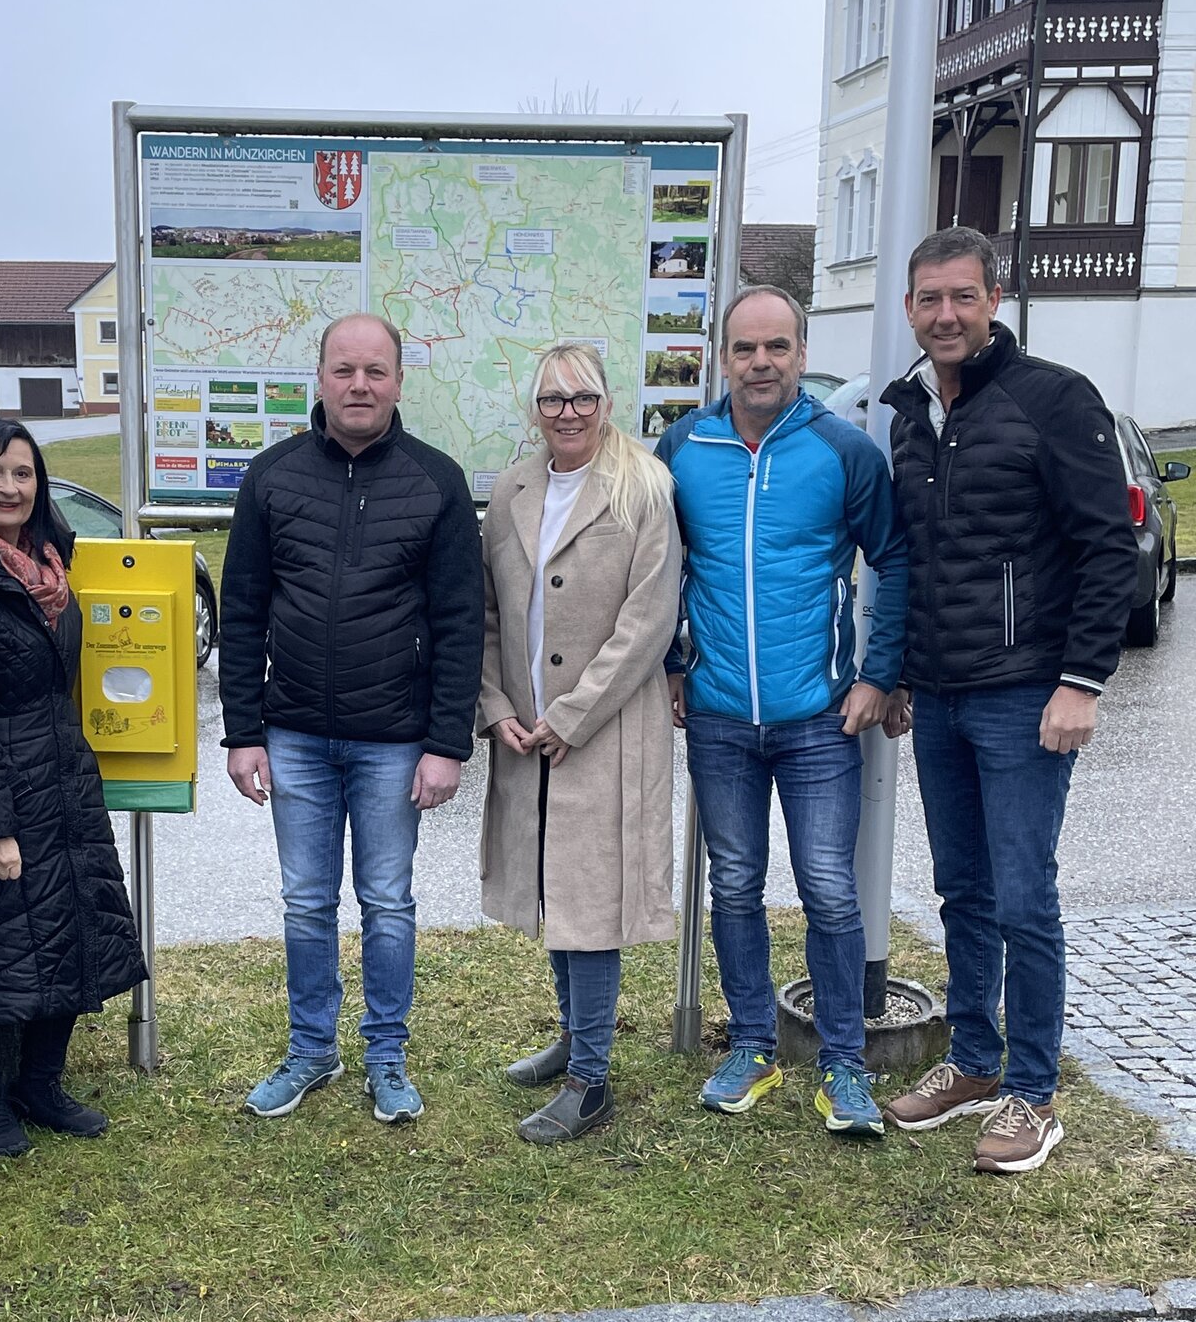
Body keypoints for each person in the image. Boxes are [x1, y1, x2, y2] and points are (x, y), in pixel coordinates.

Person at [879, 226, 1138, 1172]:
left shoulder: (1054, 399)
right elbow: (919, 561)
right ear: (909, 308)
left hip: (1026, 694)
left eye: (962, 296)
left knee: (1025, 897)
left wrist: (1081, 679)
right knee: (964, 892)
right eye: (928, 299)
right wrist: (903, 670)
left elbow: (1109, 548)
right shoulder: (912, 414)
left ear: (994, 298)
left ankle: (1032, 1091)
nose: (944, 315)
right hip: (941, 697)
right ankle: (976, 1063)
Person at [656, 285, 908, 1138]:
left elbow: (896, 561)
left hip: (818, 717)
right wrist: (671, 662)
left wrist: (879, 674)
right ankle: (754, 1044)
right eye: (743, 349)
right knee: (734, 883)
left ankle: (843, 1063)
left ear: (801, 354)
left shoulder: (844, 451)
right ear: (722, 358)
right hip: (721, 715)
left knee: (831, 890)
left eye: (776, 348)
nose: (759, 363)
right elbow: (654, 575)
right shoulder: (683, 448)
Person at [219, 312, 483, 1122]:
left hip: (394, 741)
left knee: (388, 902)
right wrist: (242, 731)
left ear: (399, 381)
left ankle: (387, 1054)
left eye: (375, 371)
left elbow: (459, 622)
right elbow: (242, 611)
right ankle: (310, 1051)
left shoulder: (436, 481)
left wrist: (445, 745)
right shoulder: (271, 477)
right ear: (321, 378)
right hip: (292, 732)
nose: (359, 385)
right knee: (305, 902)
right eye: (344, 370)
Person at [0, 423, 146, 1155]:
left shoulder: (52, 561)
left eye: (23, 473)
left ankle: (41, 1082)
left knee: (74, 925)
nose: (9, 487)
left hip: (62, 771)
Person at [479, 343, 681, 1143]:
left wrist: (574, 714)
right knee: (551, 893)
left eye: (583, 397)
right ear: (535, 407)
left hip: (604, 733)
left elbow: (648, 620)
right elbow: (490, 614)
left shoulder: (643, 488)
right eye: (553, 398)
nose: (568, 411)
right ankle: (572, 1039)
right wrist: (495, 704)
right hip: (524, 731)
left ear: (607, 402)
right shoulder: (513, 488)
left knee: (591, 904)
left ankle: (592, 1080)